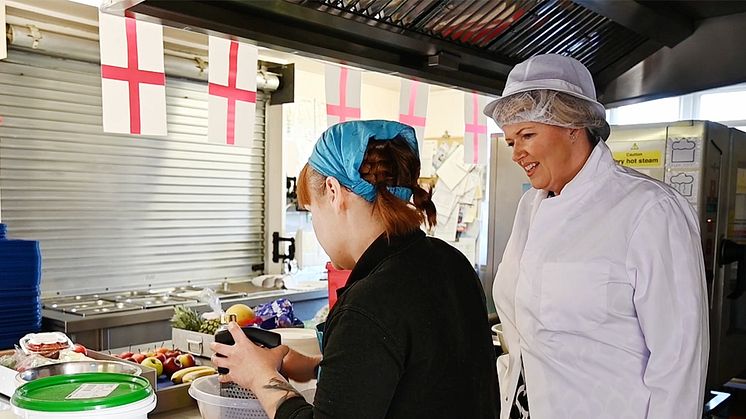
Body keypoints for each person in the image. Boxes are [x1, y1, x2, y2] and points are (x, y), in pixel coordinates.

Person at [211, 120, 499, 419]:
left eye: (313, 212)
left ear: (333, 192)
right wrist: (314, 365)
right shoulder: (450, 262)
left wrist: (261, 377)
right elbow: (423, 376)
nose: (317, 227)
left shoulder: (369, 302)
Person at [483, 54, 709, 419]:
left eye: (527, 135)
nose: (517, 153)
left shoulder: (650, 210)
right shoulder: (530, 207)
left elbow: (679, 359)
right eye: (511, 141)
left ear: (573, 125)